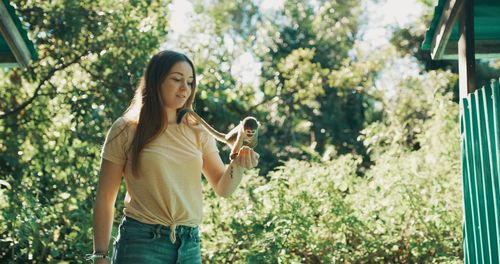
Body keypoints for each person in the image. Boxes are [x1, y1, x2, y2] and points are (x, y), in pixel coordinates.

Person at [87, 50, 259, 264]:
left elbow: (223, 188)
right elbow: (105, 198)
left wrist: (238, 163)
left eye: (189, 82)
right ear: (155, 81)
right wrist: (100, 256)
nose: (184, 88)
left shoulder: (198, 131)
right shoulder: (126, 129)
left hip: (189, 246)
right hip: (141, 243)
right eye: (176, 79)